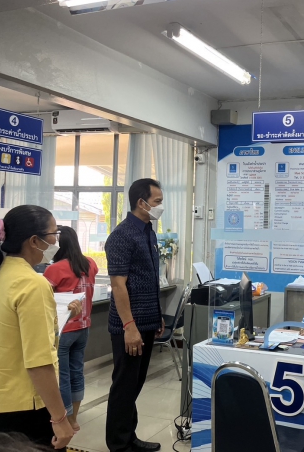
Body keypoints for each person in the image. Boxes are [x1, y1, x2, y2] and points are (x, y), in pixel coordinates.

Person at [0, 206, 77, 450]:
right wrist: (60, 419)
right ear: (34, 241)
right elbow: (39, 361)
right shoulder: (32, 285)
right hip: (23, 407)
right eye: (54, 233)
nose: (56, 241)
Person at [105, 178, 166, 452]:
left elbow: (149, 278)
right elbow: (119, 285)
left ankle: (130, 436)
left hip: (147, 321)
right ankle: (118, 444)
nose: (161, 206)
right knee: (124, 385)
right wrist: (129, 326)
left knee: (135, 384)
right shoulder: (122, 235)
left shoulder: (148, 232)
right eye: (157, 202)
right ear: (141, 203)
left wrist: (157, 314)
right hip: (129, 326)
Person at [43, 226, 99, 432]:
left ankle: (65, 420)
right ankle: (74, 418)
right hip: (83, 328)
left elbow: (43, 298)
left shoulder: (54, 269)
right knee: (77, 372)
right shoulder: (90, 263)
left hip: (63, 331)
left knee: (62, 376)